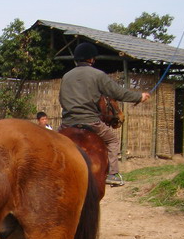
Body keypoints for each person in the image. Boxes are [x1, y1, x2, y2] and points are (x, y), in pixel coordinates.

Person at [59, 42, 151, 186]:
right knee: (113, 141)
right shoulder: (97, 75)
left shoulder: (66, 76)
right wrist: (139, 97)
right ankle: (113, 174)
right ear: (92, 59)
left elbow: (61, 99)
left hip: (67, 123)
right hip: (91, 122)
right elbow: (117, 93)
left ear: (76, 59)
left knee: (53, 144)